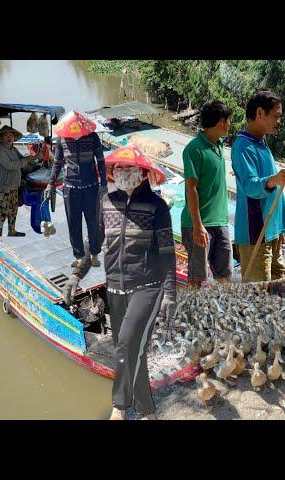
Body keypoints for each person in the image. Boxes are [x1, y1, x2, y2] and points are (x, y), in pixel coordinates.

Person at [98, 146, 177, 420]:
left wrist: (170, 294)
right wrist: (79, 266)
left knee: (125, 344)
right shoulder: (106, 202)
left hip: (148, 286)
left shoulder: (157, 207)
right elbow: (99, 241)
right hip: (115, 287)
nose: (123, 173)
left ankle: (119, 406)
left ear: (144, 174)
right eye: (118, 168)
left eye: (129, 169)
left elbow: (167, 253)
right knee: (136, 350)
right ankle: (146, 409)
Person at [231, 88, 285, 282]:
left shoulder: (261, 143)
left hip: (272, 233)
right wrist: (275, 179)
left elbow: (277, 194)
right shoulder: (242, 146)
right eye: (276, 116)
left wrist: (282, 228)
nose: (279, 121)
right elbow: (250, 187)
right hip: (256, 234)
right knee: (258, 294)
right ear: (260, 113)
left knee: (280, 287)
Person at [181, 100, 233, 289]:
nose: (229, 125)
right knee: (197, 277)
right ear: (220, 122)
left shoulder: (219, 145)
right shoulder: (194, 149)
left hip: (220, 222)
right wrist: (198, 226)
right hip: (198, 225)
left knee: (225, 274)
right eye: (228, 121)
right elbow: (191, 188)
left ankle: (225, 311)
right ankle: (191, 313)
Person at [45, 113, 107, 268]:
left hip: (91, 187)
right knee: (74, 223)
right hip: (70, 187)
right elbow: (57, 163)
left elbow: (100, 161)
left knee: (93, 222)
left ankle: (94, 253)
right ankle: (79, 256)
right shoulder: (62, 139)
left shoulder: (92, 137)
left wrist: (104, 184)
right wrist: (50, 184)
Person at [0, 125, 41, 236]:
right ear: (1, 138)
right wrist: (26, 160)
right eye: (6, 135)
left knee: (13, 210)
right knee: (2, 211)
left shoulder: (13, 149)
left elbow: (23, 160)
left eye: (11, 135)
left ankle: (12, 231)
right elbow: (9, 166)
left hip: (14, 185)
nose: (9, 137)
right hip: (4, 187)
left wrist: (36, 158)